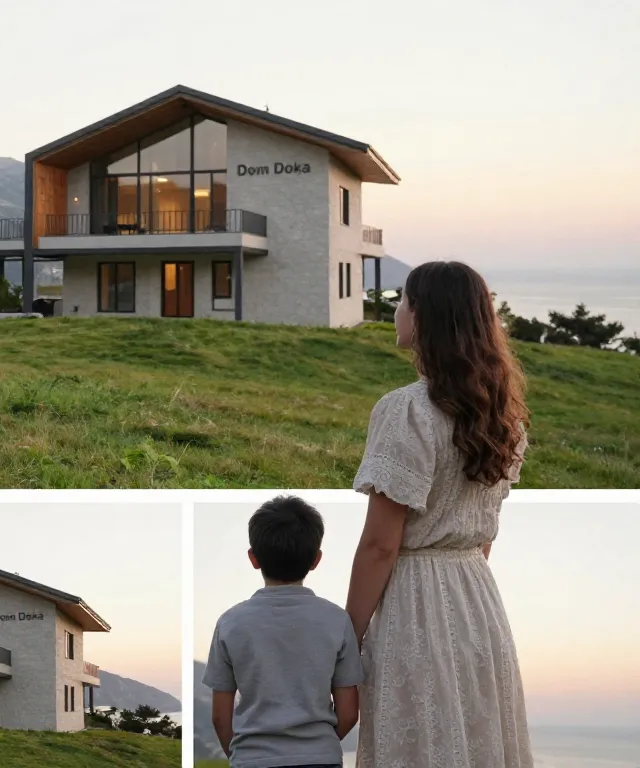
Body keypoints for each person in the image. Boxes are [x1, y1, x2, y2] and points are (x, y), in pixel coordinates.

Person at [347, 260, 532, 767]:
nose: (396, 311)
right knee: (473, 737)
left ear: (424, 315)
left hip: (415, 601)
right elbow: (484, 532)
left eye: (403, 301)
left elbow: (382, 544)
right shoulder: (504, 417)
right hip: (478, 599)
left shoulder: (407, 410)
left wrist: (347, 635)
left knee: (420, 741)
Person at [203, 496, 363, 768]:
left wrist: (242, 756)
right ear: (316, 559)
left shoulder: (230, 622)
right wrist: (316, 750)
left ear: (254, 558)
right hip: (321, 759)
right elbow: (348, 714)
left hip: (252, 760)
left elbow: (220, 717)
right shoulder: (337, 620)